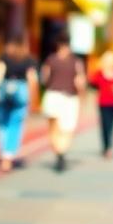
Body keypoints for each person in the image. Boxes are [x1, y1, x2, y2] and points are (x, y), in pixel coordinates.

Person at [0, 36, 39, 172]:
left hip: (5, 90)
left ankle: (4, 153)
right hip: (21, 91)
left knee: (3, 123)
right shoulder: (28, 59)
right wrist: (34, 98)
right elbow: (32, 78)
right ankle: (9, 154)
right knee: (16, 124)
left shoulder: (4, 57)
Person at [41, 33, 85, 172]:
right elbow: (80, 81)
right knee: (67, 129)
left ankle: (58, 152)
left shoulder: (51, 59)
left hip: (53, 95)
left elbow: (44, 78)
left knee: (53, 128)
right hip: (69, 98)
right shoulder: (76, 61)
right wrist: (82, 96)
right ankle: (62, 152)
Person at [89, 50, 113, 157]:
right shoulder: (99, 72)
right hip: (103, 102)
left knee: (111, 125)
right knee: (104, 125)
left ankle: (109, 146)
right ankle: (106, 146)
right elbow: (92, 84)